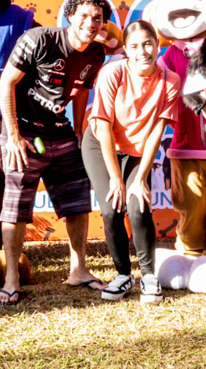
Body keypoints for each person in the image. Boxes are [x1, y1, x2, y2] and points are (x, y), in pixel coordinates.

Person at [0, 0, 109, 305]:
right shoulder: (39, 39)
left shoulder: (96, 54)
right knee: (16, 207)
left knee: (77, 203)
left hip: (60, 133)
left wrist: (78, 130)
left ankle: (79, 270)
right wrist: (13, 135)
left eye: (97, 18)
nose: (91, 23)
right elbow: (6, 84)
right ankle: (11, 279)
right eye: (84, 15)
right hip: (24, 134)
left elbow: (82, 90)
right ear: (70, 16)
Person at [82, 20, 181, 304]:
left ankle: (148, 276)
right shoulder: (112, 72)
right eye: (135, 46)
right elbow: (103, 126)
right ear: (126, 49)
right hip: (100, 143)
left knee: (139, 206)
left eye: (148, 44)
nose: (142, 52)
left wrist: (139, 179)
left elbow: (156, 133)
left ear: (157, 45)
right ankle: (123, 275)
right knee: (112, 208)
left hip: (139, 149)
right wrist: (116, 178)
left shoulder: (170, 81)